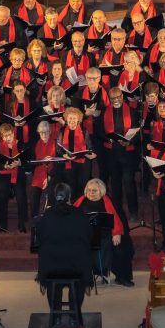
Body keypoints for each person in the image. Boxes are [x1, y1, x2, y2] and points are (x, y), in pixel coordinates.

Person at [36, 183, 93, 318]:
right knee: (79, 279)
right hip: (76, 266)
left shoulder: (47, 215)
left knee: (52, 283)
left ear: (54, 196)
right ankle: (75, 314)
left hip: (51, 266)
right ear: (70, 197)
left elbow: (39, 238)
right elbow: (89, 236)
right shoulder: (79, 213)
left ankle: (55, 316)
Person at [73, 179, 134, 287]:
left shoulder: (109, 202)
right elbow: (71, 220)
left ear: (101, 191)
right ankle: (85, 277)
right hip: (85, 236)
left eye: (95, 191)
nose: (91, 193)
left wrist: (117, 233)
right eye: (89, 190)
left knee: (120, 249)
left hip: (107, 235)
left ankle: (121, 277)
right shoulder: (80, 202)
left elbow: (118, 220)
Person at [98, 86, 139, 222]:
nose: (116, 100)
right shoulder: (105, 112)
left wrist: (129, 141)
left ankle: (133, 211)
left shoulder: (132, 112)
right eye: (113, 98)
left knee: (128, 182)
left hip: (127, 153)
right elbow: (99, 132)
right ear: (109, 99)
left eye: (118, 97)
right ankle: (117, 212)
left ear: (122, 97)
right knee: (115, 184)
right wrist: (108, 138)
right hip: (111, 152)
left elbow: (137, 132)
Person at [0, 123, 28, 232]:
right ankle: (2, 225)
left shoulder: (20, 144)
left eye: (10, 135)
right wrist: (3, 165)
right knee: (2, 196)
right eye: (5, 136)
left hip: (17, 173)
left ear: (13, 133)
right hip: (3, 174)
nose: (8, 138)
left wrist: (19, 163)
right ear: (1, 136)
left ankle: (22, 224)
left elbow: (27, 160)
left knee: (21, 197)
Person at [57, 107, 96, 198]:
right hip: (69, 162)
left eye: (74, 118)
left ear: (78, 119)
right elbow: (58, 148)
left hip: (83, 163)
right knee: (70, 187)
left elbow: (90, 147)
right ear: (66, 119)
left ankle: (80, 207)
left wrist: (91, 154)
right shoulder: (62, 131)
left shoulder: (84, 131)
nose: (72, 120)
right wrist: (64, 155)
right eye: (70, 118)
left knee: (82, 188)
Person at [30, 120, 58, 218]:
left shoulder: (56, 143)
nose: (43, 134)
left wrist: (49, 177)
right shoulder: (36, 144)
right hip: (39, 173)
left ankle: (51, 218)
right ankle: (34, 218)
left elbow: (58, 165)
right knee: (34, 195)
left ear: (50, 132)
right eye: (41, 132)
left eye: (46, 132)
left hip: (52, 173)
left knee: (51, 192)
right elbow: (33, 162)